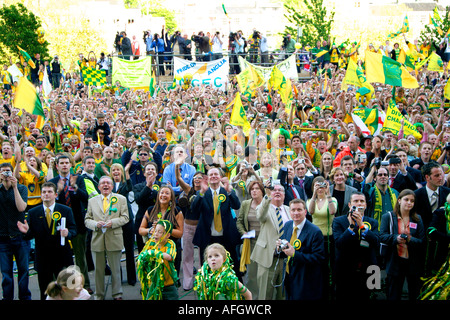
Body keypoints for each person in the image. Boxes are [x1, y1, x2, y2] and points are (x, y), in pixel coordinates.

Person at [17, 181, 77, 300]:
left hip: (62, 255)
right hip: (43, 257)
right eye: (44, 192)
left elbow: (74, 230)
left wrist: (68, 233)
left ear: (55, 195)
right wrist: (25, 232)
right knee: (45, 290)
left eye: (49, 192)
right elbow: (30, 235)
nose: (46, 194)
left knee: (66, 289)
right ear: (41, 195)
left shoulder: (65, 210)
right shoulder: (33, 213)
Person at [48, 154, 91, 293]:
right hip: (59, 224)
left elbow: (86, 197)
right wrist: (58, 191)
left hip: (78, 223)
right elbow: (48, 201)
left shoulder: (79, 179)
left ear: (71, 165)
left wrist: (76, 188)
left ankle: (84, 285)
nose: (65, 165)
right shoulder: (53, 182)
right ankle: (60, 286)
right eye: (62, 163)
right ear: (57, 165)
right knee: (58, 256)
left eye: (67, 162)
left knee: (80, 257)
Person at [191, 167, 242, 281]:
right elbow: (194, 210)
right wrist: (202, 193)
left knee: (232, 265)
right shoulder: (203, 192)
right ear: (208, 179)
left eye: (216, 174)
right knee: (208, 267)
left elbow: (237, 205)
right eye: (211, 175)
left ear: (220, 177)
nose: (213, 176)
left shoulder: (226, 191)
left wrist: (229, 191)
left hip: (226, 236)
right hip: (208, 236)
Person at [84, 175, 129, 300]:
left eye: (108, 183)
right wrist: (95, 224)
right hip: (97, 238)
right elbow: (87, 219)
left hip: (114, 237)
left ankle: (117, 293)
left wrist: (113, 223)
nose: (105, 185)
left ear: (112, 186)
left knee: (115, 269)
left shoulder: (121, 199)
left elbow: (126, 217)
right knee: (98, 270)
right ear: (98, 187)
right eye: (103, 183)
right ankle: (99, 295)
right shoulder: (92, 201)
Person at [332, 191, 379, 300]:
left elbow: (376, 243)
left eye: (362, 201)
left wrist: (361, 225)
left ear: (366, 205)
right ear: (349, 205)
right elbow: (339, 243)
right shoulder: (338, 221)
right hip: (345, 270)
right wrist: (352, 226)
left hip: (368, 269)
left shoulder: (372, 222)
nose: (359, 204)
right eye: (356, 201)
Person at [380, 189, 426, 300]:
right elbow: (381, 236)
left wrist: (410, 239)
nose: (409, 203)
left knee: (414, 294)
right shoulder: (388, 217)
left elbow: (422, 241)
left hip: (412, 262)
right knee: (394, 294)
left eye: (412, 201)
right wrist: (396, 238)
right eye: (406, 200)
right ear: (399, 200)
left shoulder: (417, 219)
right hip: (395, 261)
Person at [277, 199, 325, 300]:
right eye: (293, 210)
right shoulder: (288, 225)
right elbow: (286, 250)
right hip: (288, 276)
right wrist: (279, 249)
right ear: (289, 212)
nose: (296, 213)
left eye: (299, 210)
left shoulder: (315, 232)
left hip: (306, 280)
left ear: (305, 211)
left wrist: (295, 254)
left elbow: (318, 258)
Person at [250, 182, 290, 300]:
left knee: (282, 295)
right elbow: (261, 215)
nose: (277, 192)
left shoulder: (289, 210)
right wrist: (267, 196)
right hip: (268, 258)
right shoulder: (264, 208)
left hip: (285, 259)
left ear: (284, 194)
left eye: (280, 190)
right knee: (265, 294)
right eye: (274, 190)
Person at [0, 162, 31, 300]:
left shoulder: (21, 188)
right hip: (2, 238)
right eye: (3, 171)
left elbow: (21, 208)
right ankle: (7, 298)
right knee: (6, 273)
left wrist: (14, 187)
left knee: (24, 271)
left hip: (20, 236)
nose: (6, 174)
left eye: (8, 171)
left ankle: (24, 297)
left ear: (12, 173)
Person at [138, 185, 184, 274]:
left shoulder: (177, 211)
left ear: (171, 197)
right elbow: (141, 230)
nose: (163, 195)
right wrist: (151, 229)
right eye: (162, 193)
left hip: (170, 248)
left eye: (167, 193)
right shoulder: (150, 210)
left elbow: (180, 233)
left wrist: (164, 228)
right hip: (154, 248)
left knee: (169, 276)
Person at [306, 176, 337, 299]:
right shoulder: (310, 200)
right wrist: (314, 195)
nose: (320, 188)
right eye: (317, 186)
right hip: (314, 238)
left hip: (328, 238)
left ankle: (328, 293)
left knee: (327, 268)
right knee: (315, 267)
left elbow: (332, 212)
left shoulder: (332, 199)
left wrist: (328, 194)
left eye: (322, 185)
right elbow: (311, 211)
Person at [236, 180, 265, 299]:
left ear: (262, 191)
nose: (254, 191)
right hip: (251, 243)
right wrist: (244, 233)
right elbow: (239, 221)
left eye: (257, 189)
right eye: (252, 189)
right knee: (252, 274)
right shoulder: (246, 204)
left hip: (265, 244)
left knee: (264, 273)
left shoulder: (267, 203)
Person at [136, 220, 179, 300]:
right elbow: (142, 256)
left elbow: (169, 256)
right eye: (155, 231)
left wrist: (155, 253)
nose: (156, 234)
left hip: (168, 284)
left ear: (167, 235)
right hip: (153, 284)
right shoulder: (151, 243)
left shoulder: (170, 244)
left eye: (160, 232)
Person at [109, 162, 136, 286]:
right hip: (114, 220)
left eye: (118, 170)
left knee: (129, 250)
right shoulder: (109, 186)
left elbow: (130, 186)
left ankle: (131, 278)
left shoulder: (126, 184)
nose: (116, 172)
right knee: (116, 251)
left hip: (127, 219)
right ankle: (117, 278)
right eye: (113, 170)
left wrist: (126, 172)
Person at [177, 169, 203, 291]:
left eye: (200, 177)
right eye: (195, 177)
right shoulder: (189, 190)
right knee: (187, 255)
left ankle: (202, 280)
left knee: (203, 255)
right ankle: (187, 282)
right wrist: (177, 164)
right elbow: (178, 178)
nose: (197, 179)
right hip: (188, 226)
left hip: (202, 227)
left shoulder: (206, 192)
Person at [133, 162, 161, 253]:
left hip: (158, 219)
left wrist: (153, 190)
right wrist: (148, 187)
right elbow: (138, 200)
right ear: (144, 173)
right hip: (142, 220)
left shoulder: (162, 185)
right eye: (148, 169)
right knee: (142, 249)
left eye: (152, 169)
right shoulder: (138, 186)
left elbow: (162, 200)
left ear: (156, 173)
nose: (150, 171)